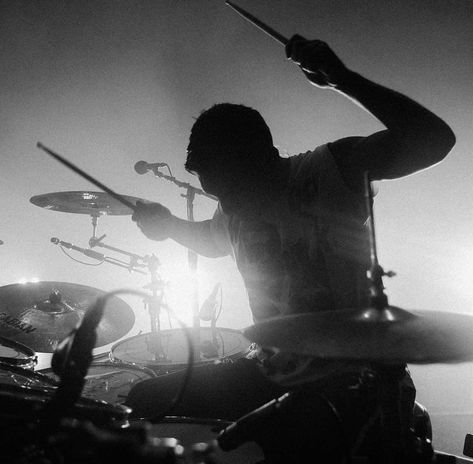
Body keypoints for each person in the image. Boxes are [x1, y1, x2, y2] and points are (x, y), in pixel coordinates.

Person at [126, 35, 455, 462]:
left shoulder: (329, 171)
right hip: (271, 370)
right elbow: (211, 240)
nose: (227, 204)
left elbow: (433, 139)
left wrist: (343, 79)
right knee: (143, 398)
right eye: (218, 193)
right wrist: (168, 226)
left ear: (262, 156)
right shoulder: (234, 208)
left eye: (230, 188)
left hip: (349, 377)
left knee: (296, 441)